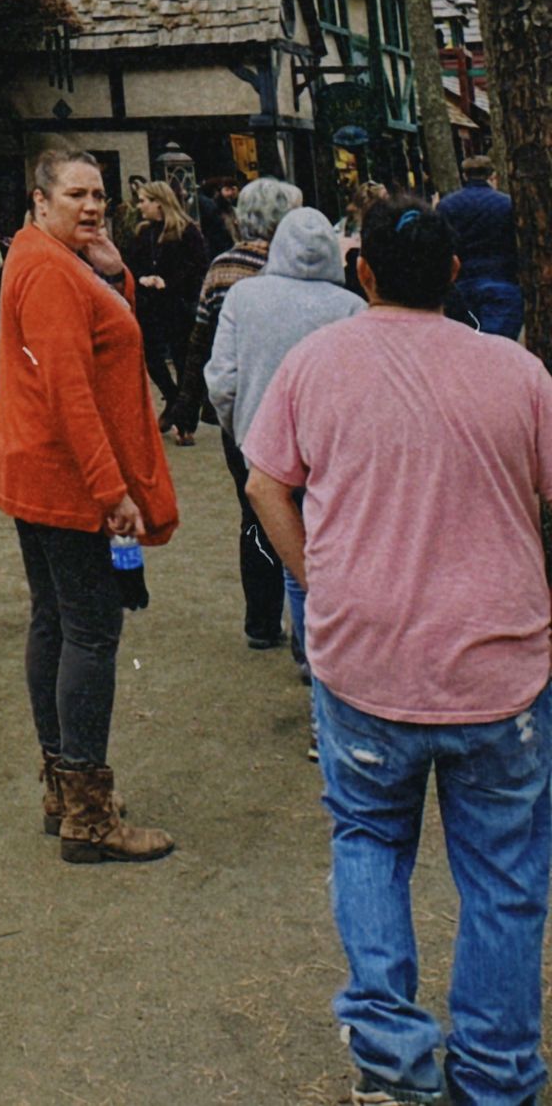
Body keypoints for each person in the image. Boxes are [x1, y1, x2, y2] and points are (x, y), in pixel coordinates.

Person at [245, 197, 552, 1106]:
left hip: (365, 656)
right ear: (455, 272)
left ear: (362, 270)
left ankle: (392, 1062)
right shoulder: (518, 372)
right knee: (504, 876)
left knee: (370, 841)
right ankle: (497, 1075)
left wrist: (317, 581)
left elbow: (267, 483)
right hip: (499, 664)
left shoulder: (317, 364)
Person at [0, 149, 179, 864]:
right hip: (62, 477)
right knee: (89, 631)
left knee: (55, 620)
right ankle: (89, 815)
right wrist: (112, 490)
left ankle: (66, 786)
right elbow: (70, 388)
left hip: (36, 468)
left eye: (98, 194)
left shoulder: (47, 258)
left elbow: (109, 327)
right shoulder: (48, 271)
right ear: (40, 201)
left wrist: (111, 266)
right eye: (75, 195)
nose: (91, 206)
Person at [203, 205, 363, 690]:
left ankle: (269, 627)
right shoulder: (350, 307)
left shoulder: (245, 297)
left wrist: (239, 427)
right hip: (330, 450)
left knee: (266, 528)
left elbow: (222, 377)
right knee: (323, 541)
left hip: (259, 441)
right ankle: (315, 646)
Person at [181, 174, 303, 649]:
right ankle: (304, 627)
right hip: (293, 410)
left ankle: (261, 622)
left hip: (244, 415)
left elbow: (201, 343)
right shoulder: (298, 267)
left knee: (255, 517)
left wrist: (204, 408)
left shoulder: (222, 267)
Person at [126, 179, 208, 446]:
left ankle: (186, 422)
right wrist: (141, 279)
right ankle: (173, 398)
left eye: (144, 201)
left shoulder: (187, 232)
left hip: (178, 305)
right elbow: (132, 265)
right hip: (150, 306)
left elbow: (197, 269)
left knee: (185, 361)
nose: (140, 207)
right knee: (151, 357)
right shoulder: (143, 233)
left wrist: (169, 282)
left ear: (158, 203)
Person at [437, 153, 524, 339]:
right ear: (492, 175)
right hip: (502, 280)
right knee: (500, 346)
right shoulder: (507, 204)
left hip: (461, 284)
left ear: (464, 175)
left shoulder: (446, 206)